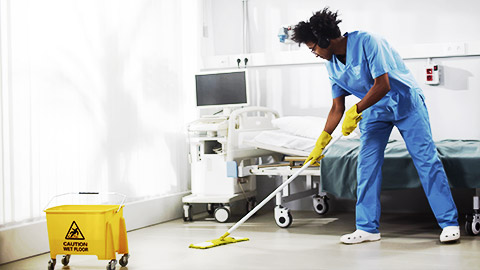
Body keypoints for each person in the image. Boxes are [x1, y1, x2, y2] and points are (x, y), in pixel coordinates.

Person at [292, 7, 460, 244]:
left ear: (324, 39)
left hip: (406, 104)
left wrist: (356, 110)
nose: (315, 53)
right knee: (367, 166)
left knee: (426, 159)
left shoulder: (368, 42)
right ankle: (367, 228)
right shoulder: (331, 65)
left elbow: (383, 85)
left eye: (314, 48)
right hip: (373, 111)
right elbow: (337, 108)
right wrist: (323, 139)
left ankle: (449, 222)